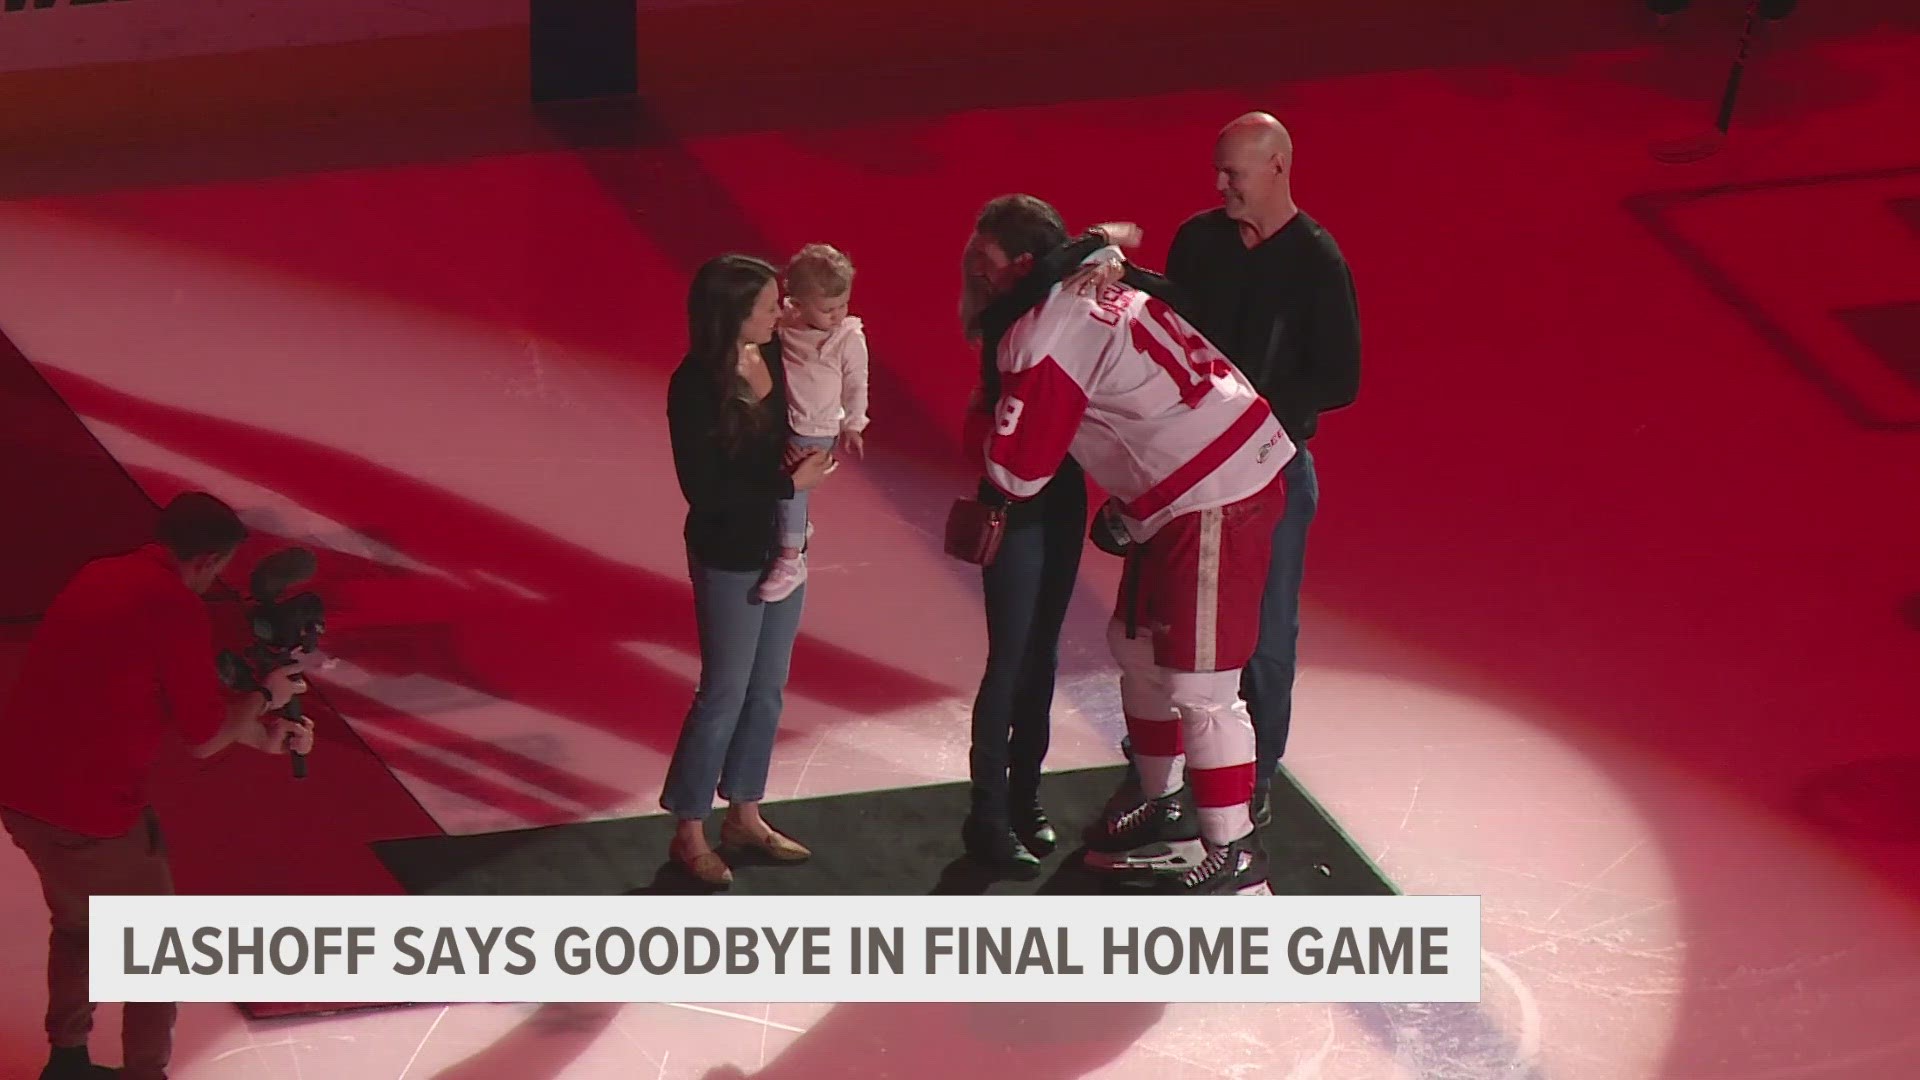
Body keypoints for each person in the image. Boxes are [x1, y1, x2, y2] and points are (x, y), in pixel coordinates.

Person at [964, 194, 1294, 895]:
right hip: (1181, 487)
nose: (976, 275)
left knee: (1202, 686)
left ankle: (1235, 850)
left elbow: (1018, 472)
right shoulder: (1097, 278)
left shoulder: (1047, 328)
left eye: (987, 263)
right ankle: (1162, 798)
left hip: (1212, 490)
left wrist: (985, 431)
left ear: (1022, 263)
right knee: (1137, 647)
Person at [0, 492, 314, 1080]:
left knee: (79, 925)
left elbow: (168, 703)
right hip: (90, 814)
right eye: (218, 571)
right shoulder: (174, 605)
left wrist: (257, 728)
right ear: (207, 560)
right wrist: (269, 696)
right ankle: (148, 1072)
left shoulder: (101, 574)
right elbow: (201, 736)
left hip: (22, 794)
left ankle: (66, 1060)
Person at [1162, 112, 1361, 825]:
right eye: (1218, 171)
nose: (1221, 186)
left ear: (1277, 166)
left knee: (1267, 635)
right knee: (1177, 625)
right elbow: (1172, 330)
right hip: (1189, 469)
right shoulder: (1198, 240)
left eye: (1234, 173)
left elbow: (1341, 378)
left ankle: (1256, 777)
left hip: (1272, 472)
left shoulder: (1316, 261)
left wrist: (1254, 411)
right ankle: (1172, 768)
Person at [663, 253, 835, 888]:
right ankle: (688, 826)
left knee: (768, 686)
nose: (779, 311)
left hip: (781, 546)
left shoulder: (773, 359)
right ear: (732, 314)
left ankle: (745, 811)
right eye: (767, 305)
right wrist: (788, 484)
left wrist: (796, 464)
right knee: (724, 692)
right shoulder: (694, 384)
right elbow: (704, 488)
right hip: (729, 550)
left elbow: (777, 441)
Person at [759, 243, 871, 602]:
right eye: (827, 309)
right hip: (783, 418)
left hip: (817, 426)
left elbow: (857, 382)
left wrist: (854, 424)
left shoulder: (846, 337)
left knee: (792, 488)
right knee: (777, 478)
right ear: (797, 301)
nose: (837, 315)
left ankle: (790, 560)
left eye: (843, 305)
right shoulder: (787, 321)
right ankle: (796, 527)